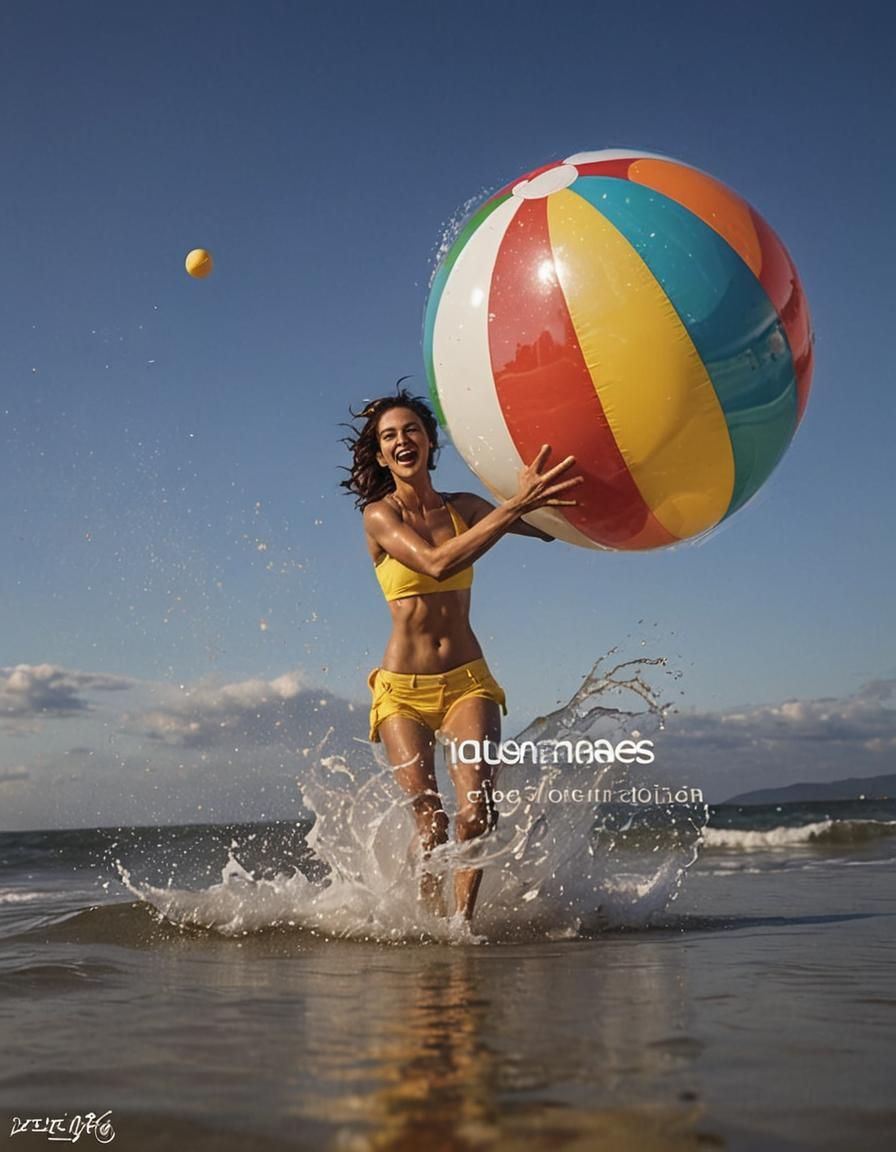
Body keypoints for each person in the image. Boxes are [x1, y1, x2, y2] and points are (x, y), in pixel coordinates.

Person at [340, 387, 582, 925]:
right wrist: (513, 506)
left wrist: (555, 483)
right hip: (402, 693)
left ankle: (460, 928)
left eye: (411, 430)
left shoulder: (465, 508)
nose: (402, 440)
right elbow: (436, 563)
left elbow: (548, 531)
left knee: (477, 813)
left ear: (429, 441)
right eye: (389, 436)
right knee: (431, 823)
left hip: (467, 682)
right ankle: (427, 916)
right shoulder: (379, 516)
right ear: (381, 455)